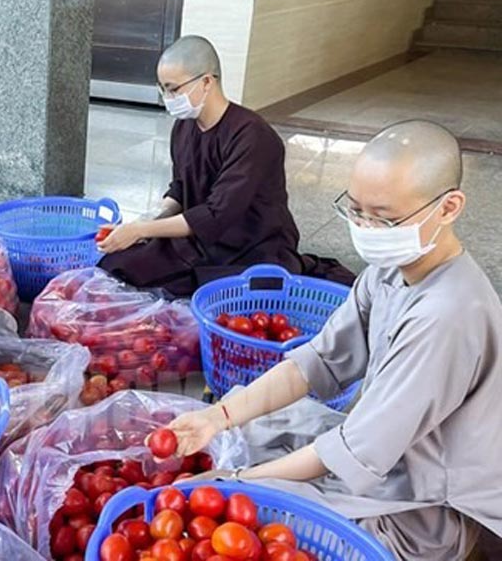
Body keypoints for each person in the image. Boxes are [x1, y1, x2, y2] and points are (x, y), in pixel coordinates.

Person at [164, 121, 501, 560]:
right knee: (256, 429)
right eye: (357, 211)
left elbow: (353, 451)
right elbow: (318, 360)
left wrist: (237, 484)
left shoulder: (448, 316)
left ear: (449, 207)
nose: (365, 229)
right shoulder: (391, 270)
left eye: (384, 219)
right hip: (383, 457)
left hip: (421, 509)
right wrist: (220, 415)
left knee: (248, 516)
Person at [98, 35, 351, 296]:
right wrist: (148, 221)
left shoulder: (252, 135)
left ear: (207, 82)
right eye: (162, 89)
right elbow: (180, 188)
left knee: (232, 292)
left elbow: (216, 215)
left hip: (251, 244)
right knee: (117, 264)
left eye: (173, 89)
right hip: (198, 240)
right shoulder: (183, 126)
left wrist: (142, 229)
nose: (167, 98)